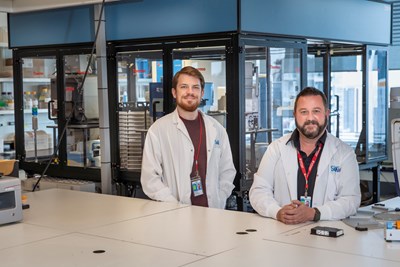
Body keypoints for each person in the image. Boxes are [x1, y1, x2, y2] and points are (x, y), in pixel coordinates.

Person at [249, 87, 360, 224]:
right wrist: (276, 211)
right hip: (282, 231)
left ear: (327, 114)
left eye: (316, 111)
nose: (310, 118)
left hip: (325, 234)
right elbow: (259, 190)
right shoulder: (276, 149)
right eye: (304, 112)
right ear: (295, 114)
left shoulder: (344, 153)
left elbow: (351, 200)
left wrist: (315, 213)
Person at [141, 66, 236, 209]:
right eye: (184, 87)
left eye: (195, 87)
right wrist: (173, 205)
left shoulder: (217, 129)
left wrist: (220, 196)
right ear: (174, 92)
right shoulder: (158, 130)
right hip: (175, 214)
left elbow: (227, 171)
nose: (190, 92)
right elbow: (150, 179)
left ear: (202, 92)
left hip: (213, 212)